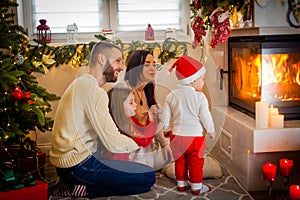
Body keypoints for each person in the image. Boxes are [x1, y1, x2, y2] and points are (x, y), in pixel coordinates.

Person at [49, 42, 156, 198]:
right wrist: (141, 143)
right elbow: (112, 142)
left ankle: (72, 183)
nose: (121, 66)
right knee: (148, 177)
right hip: (78, 165)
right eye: (118, 60)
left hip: (70, 163)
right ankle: (80, 189)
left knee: (132, 169)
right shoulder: (93, 91)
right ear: (101, 59)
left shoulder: (82, 83)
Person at [108, 49, 172, 170]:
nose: (152, 68)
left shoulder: (147, 91)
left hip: (148, 148)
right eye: (147, 64)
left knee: (178, 147)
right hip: (132, 151)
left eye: (154, 64)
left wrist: (165, 143)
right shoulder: (124, 91)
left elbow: (157, 123)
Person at [162, 56, 216, 195]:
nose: (203, 81)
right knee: (196, 163)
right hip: (195, 139)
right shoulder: (199, 97)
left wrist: (166, 129)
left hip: (177, 137)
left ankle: (181, 184)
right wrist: (211, 130)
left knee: (180, 162)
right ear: (192, 80)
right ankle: (197, 188)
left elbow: (166, 115)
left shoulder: (171, 95)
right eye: (201, 78)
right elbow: (205, 116)